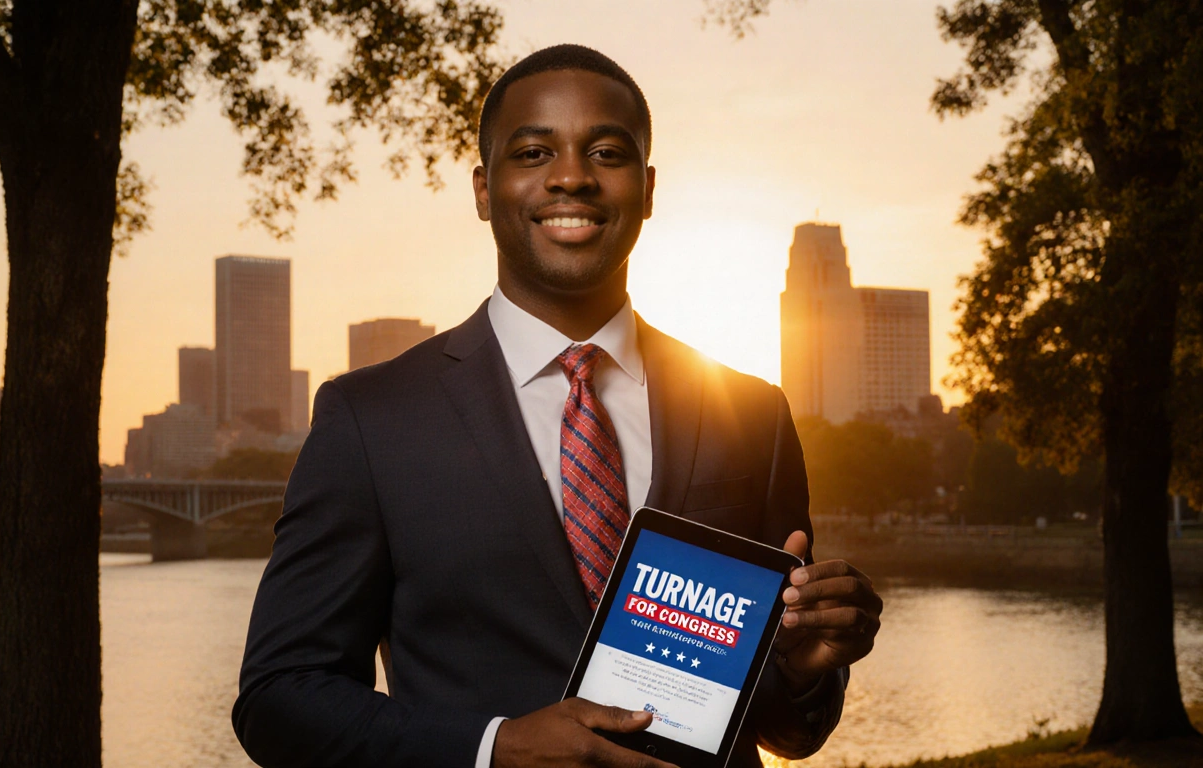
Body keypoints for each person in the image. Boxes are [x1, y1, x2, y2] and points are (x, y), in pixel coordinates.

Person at [232, 44, 883, 768]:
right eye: (535, 151)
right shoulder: (370, 419)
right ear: (483, 190)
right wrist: (492, 748)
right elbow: (280, 697)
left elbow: (788, 735)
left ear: (647, 187)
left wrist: (801, 667)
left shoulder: (751, 414)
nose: (572, 177)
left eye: (606, 152)